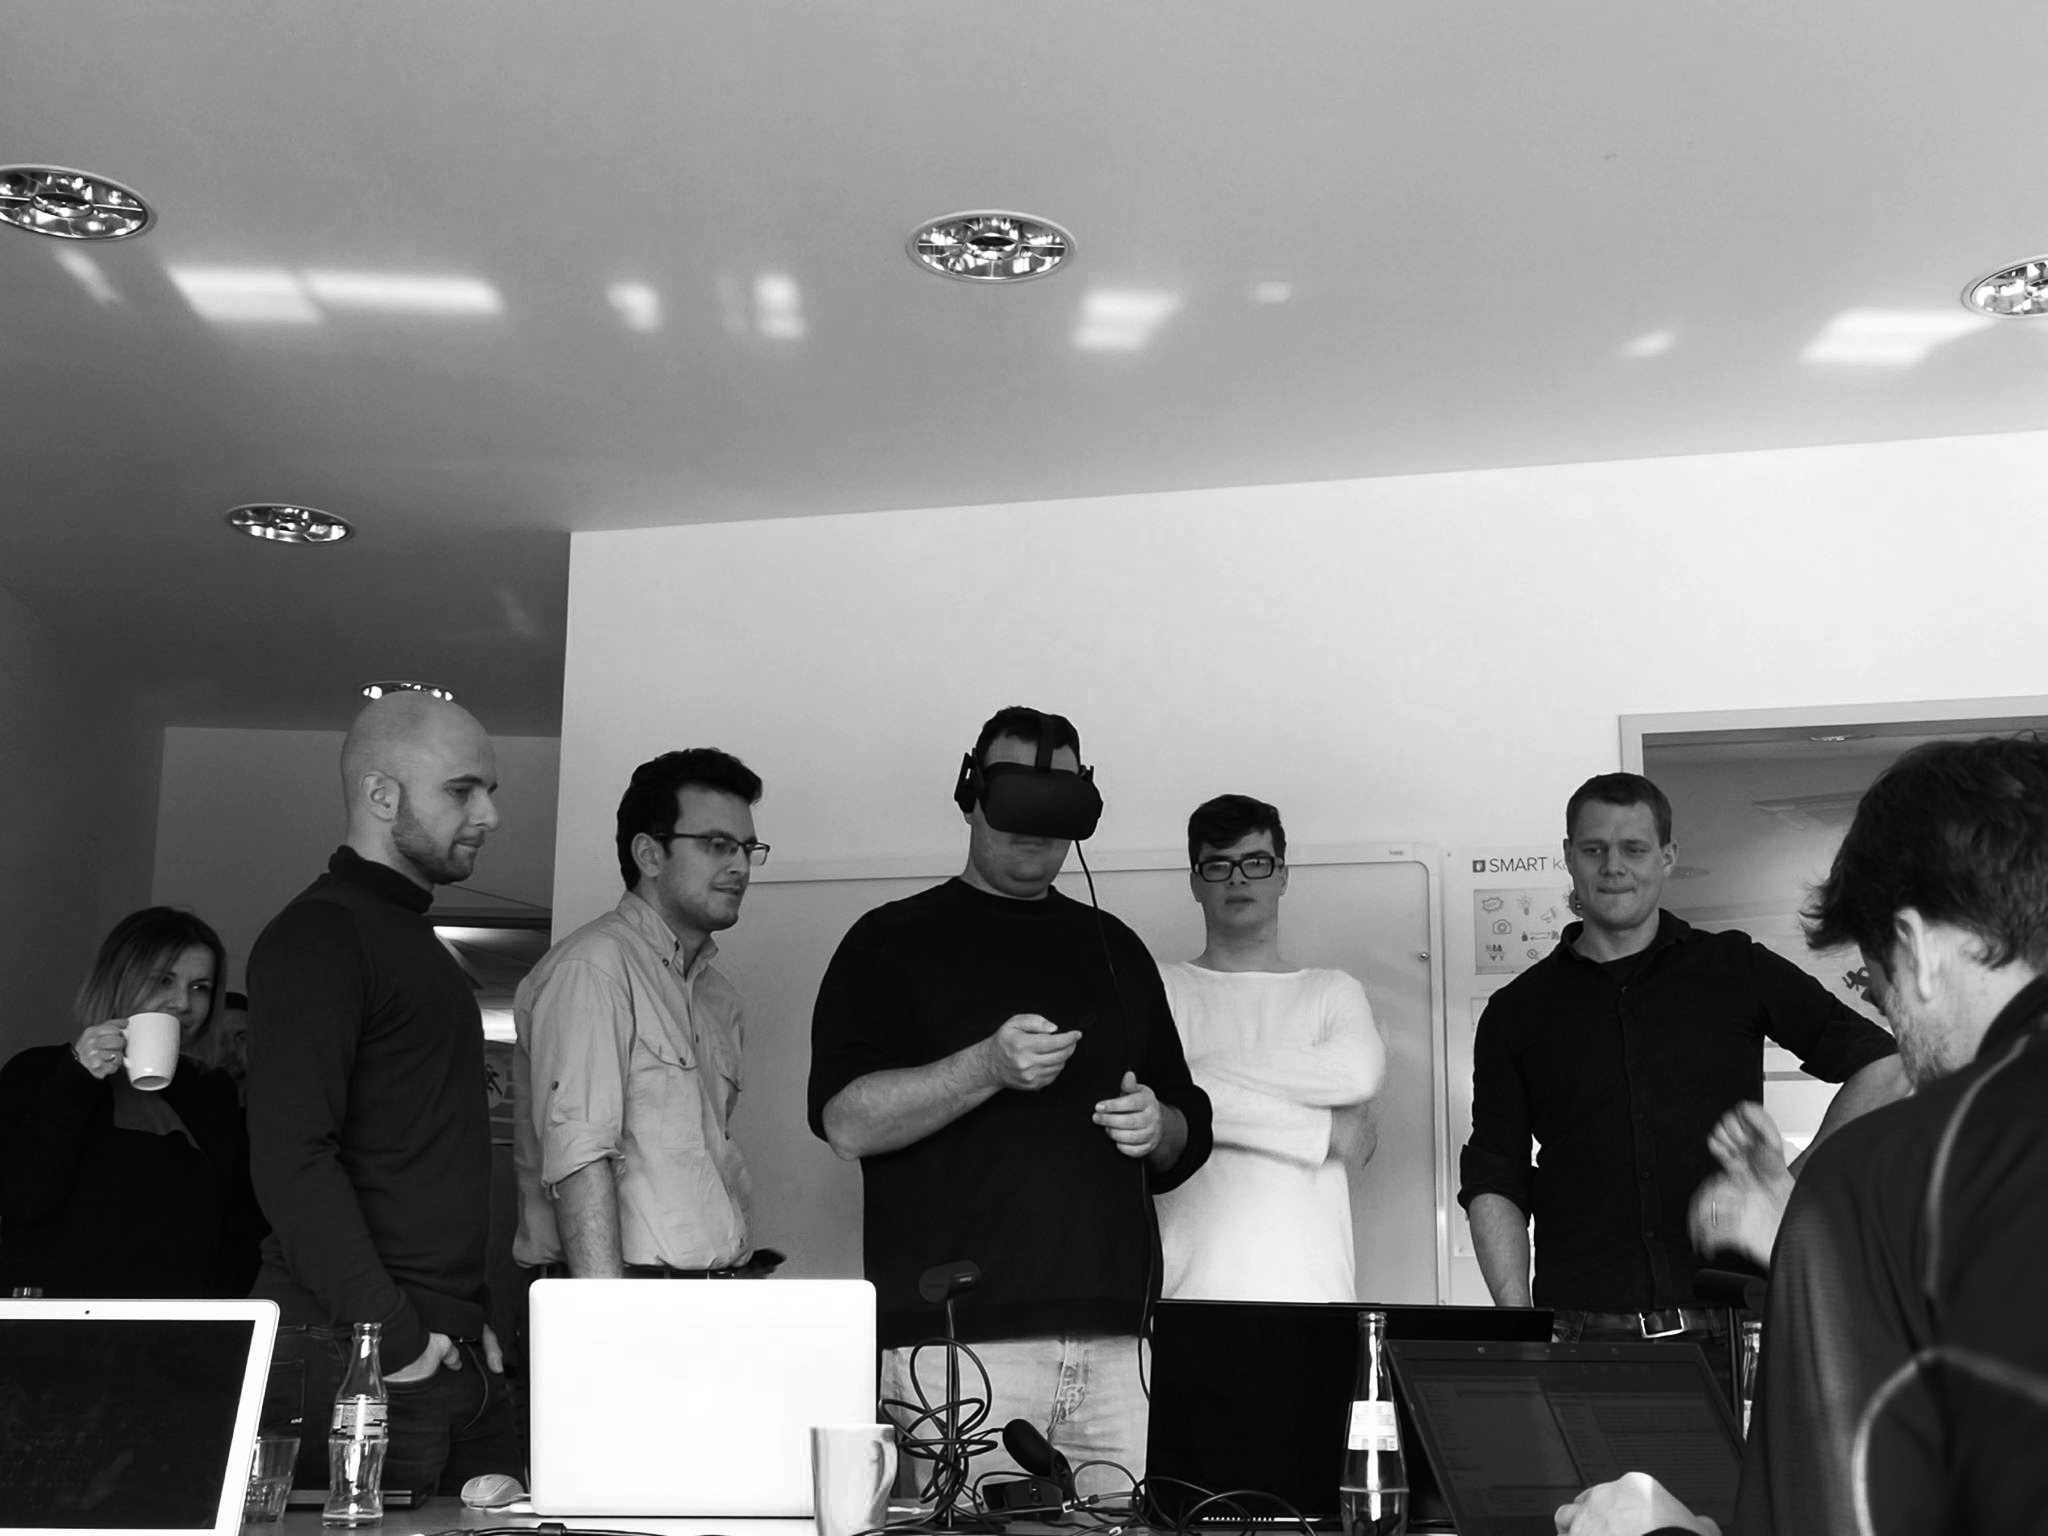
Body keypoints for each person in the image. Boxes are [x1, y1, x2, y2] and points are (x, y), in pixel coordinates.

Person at [1557, 734, 2048, 1535]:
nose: (1889, 1015)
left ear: (1917, 949)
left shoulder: (1883, 1180)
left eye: (1876, 980)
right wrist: (1804, 1220)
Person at [807, 706, 1212, 1488]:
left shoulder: (1116, 947)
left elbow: (1185, 1126)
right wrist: (985, 1067)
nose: (1035, 823)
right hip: (959, 1347)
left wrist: (1159, 1125)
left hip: (1119, 1343)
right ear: (971, 796)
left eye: (1055, 800)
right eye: (1015, 795)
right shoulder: (889, 942)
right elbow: (846, 1122)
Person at [1459, 772, 1905, 1392]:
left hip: (1733, 1325)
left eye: (1634, 848)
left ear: (1667, 856)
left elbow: (1884, 1066)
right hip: (1578, 1330)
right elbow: (1495, 1176)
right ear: (1569, 856)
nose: (1614, 867)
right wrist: (1518, 1325)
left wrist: (1784, 1191)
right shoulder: (1517, 1012)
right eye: (1594, 849)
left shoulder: (1735, 967)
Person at [246, 692, 520, 1496]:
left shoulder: (412, 938)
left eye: (489, 790)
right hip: (352, 1353)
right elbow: (291, 1158)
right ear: (380, 795)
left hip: (442, 1353)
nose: (490, 815)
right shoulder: (321, 932)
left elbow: (422, 1155)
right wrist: (395, 1341)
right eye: (462, 790)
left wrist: (463, 1324)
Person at [514, 748, 774, 1279]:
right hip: (627, 1294)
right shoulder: (595, 967)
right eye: (717, 845)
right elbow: (579, 1159)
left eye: (748, 848)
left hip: (702, 1293)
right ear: (649, 855)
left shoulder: (718, 997)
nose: (740, 866)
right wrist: (607, 1318)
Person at [1154, 793, 1384, 1302]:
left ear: (1282, 875)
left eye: (1255, 862)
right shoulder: (1160, 988)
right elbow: (1159, 1104)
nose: (1238, 879)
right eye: (1218, 865)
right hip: (1186, 1293)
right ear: (1195, 883)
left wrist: (1197, 1079)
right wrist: (1323, 1131)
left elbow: (1358, 1074)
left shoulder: (1331, 990)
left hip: (1316, 1292)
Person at [0, 907, 261, 1298]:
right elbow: (22, 1200)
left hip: (172, 1323)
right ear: (118, 979)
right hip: (48, 1317)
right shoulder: (37, 1071)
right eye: (163, 980)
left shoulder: (212, 1090)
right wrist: (77, 1076)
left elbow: (231, 1228)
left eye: (199, 987)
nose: (182, 1002)